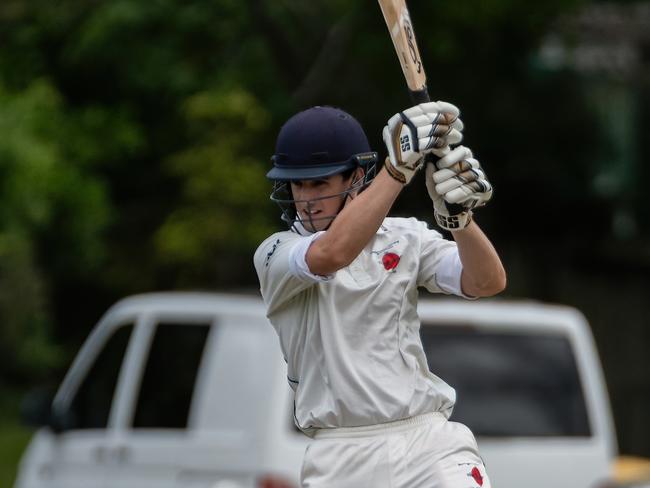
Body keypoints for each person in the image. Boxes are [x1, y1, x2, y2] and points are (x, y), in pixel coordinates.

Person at [253, 103, 506, 488]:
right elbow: (333, 254)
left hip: (427, 441)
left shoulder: (405, 236)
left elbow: (487, 282)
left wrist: (461, 222)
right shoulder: (277, 253)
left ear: (356, 177)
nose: (306, 199)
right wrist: (398, 170)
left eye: (320, 183)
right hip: (338, 454)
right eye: (297, 184)